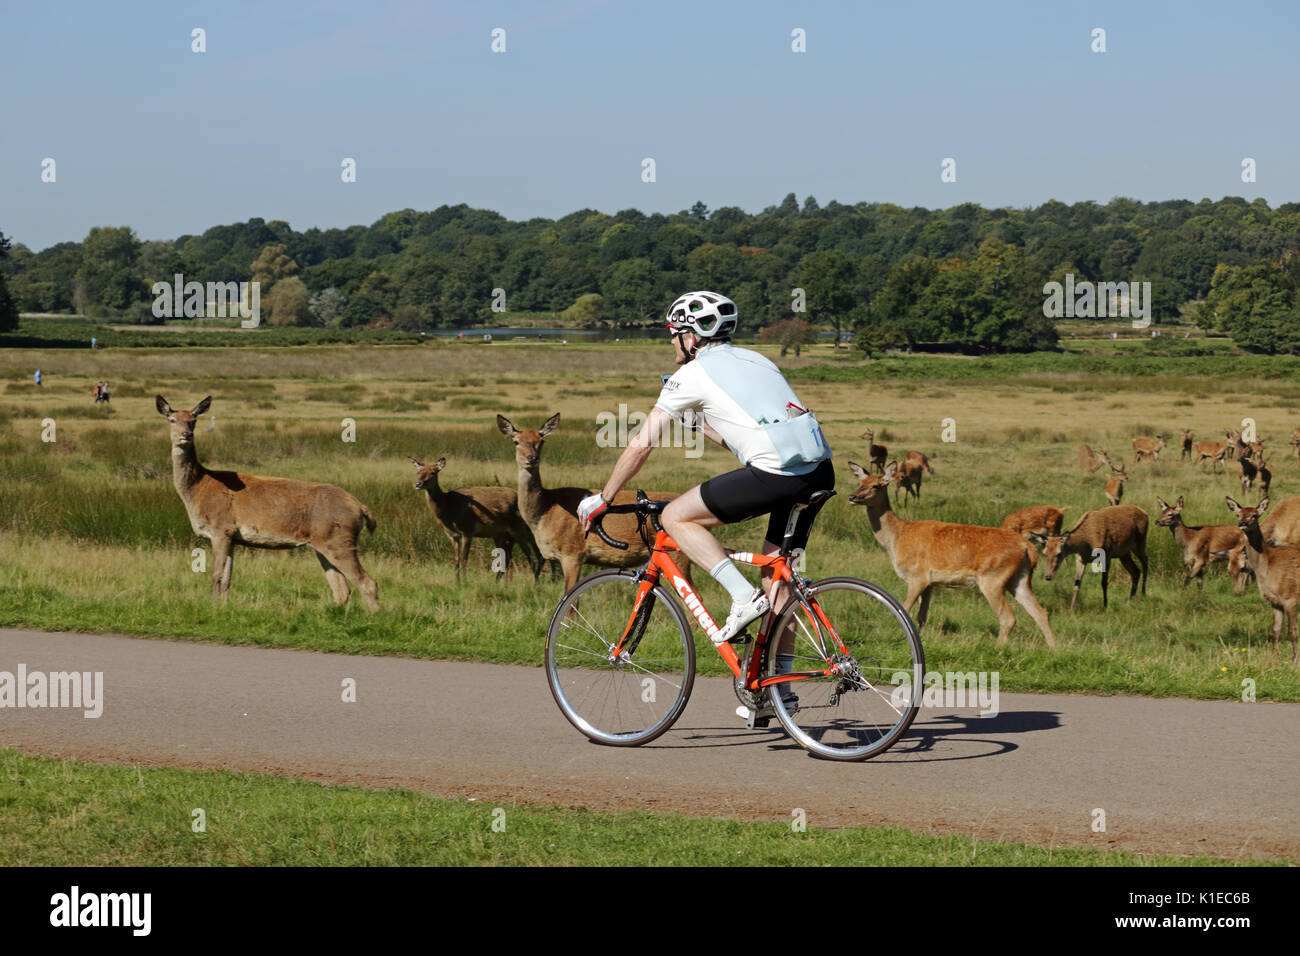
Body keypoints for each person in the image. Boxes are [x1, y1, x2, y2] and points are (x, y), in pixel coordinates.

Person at [579, 290, 834, 659]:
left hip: (776, 475)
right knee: (777, 583)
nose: (670, 340)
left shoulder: (689, 375)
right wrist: (701, 426)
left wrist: (604, 498)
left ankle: (742, 597)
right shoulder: (757, 360)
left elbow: (642, 444)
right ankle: (779, 689)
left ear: (692, 336)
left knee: (673, 515)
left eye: (673, 331)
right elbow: (752, 437)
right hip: (818, 473)